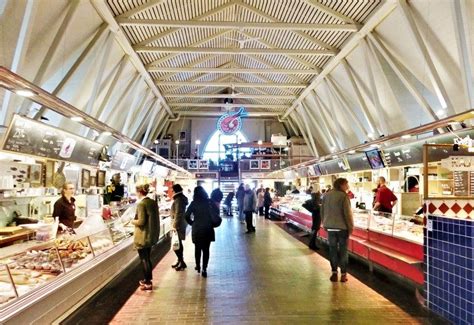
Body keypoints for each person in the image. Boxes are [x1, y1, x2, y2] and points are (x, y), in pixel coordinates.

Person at [321, 178, 354, 283]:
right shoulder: (344, 196)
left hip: (330, 227)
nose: (347, 187)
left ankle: (334, 273)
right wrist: (350, 227)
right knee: (343, 252)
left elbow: (322, 211)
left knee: (333, 251)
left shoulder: (326, 195)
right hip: (342, 228)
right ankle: (343, 275)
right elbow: (347, 214)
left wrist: (324, 223)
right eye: (346, 184)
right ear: (341, 185)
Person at [132, 184, 160, 291]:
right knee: (147, 258)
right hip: (150, 235)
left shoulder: (141, 204)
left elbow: (141, 221)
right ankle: (147, 279)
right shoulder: (152, 202)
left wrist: (131, 221)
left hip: (142, 236)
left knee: (144, 259)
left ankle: (147, 282)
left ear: (139, 192)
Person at [185, 186, 215, 278]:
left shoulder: (194, 203)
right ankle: (204, 269)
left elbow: (186, 215)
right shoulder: (209, 202)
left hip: (197, 228)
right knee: (206, 250)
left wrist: (192, 223)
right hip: (208, 228)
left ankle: (198, 265)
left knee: (197, 248)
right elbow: (216, 213)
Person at [170, 184, 188, 271]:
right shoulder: (180, 198)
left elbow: (178, 213)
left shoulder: (179, 199)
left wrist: (175, 225)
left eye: (172, 190)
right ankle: (180, 261)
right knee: (178, 244)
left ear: (174, 190)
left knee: (177, 244)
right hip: (180, 224)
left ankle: (181, 262)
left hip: (178, 225)